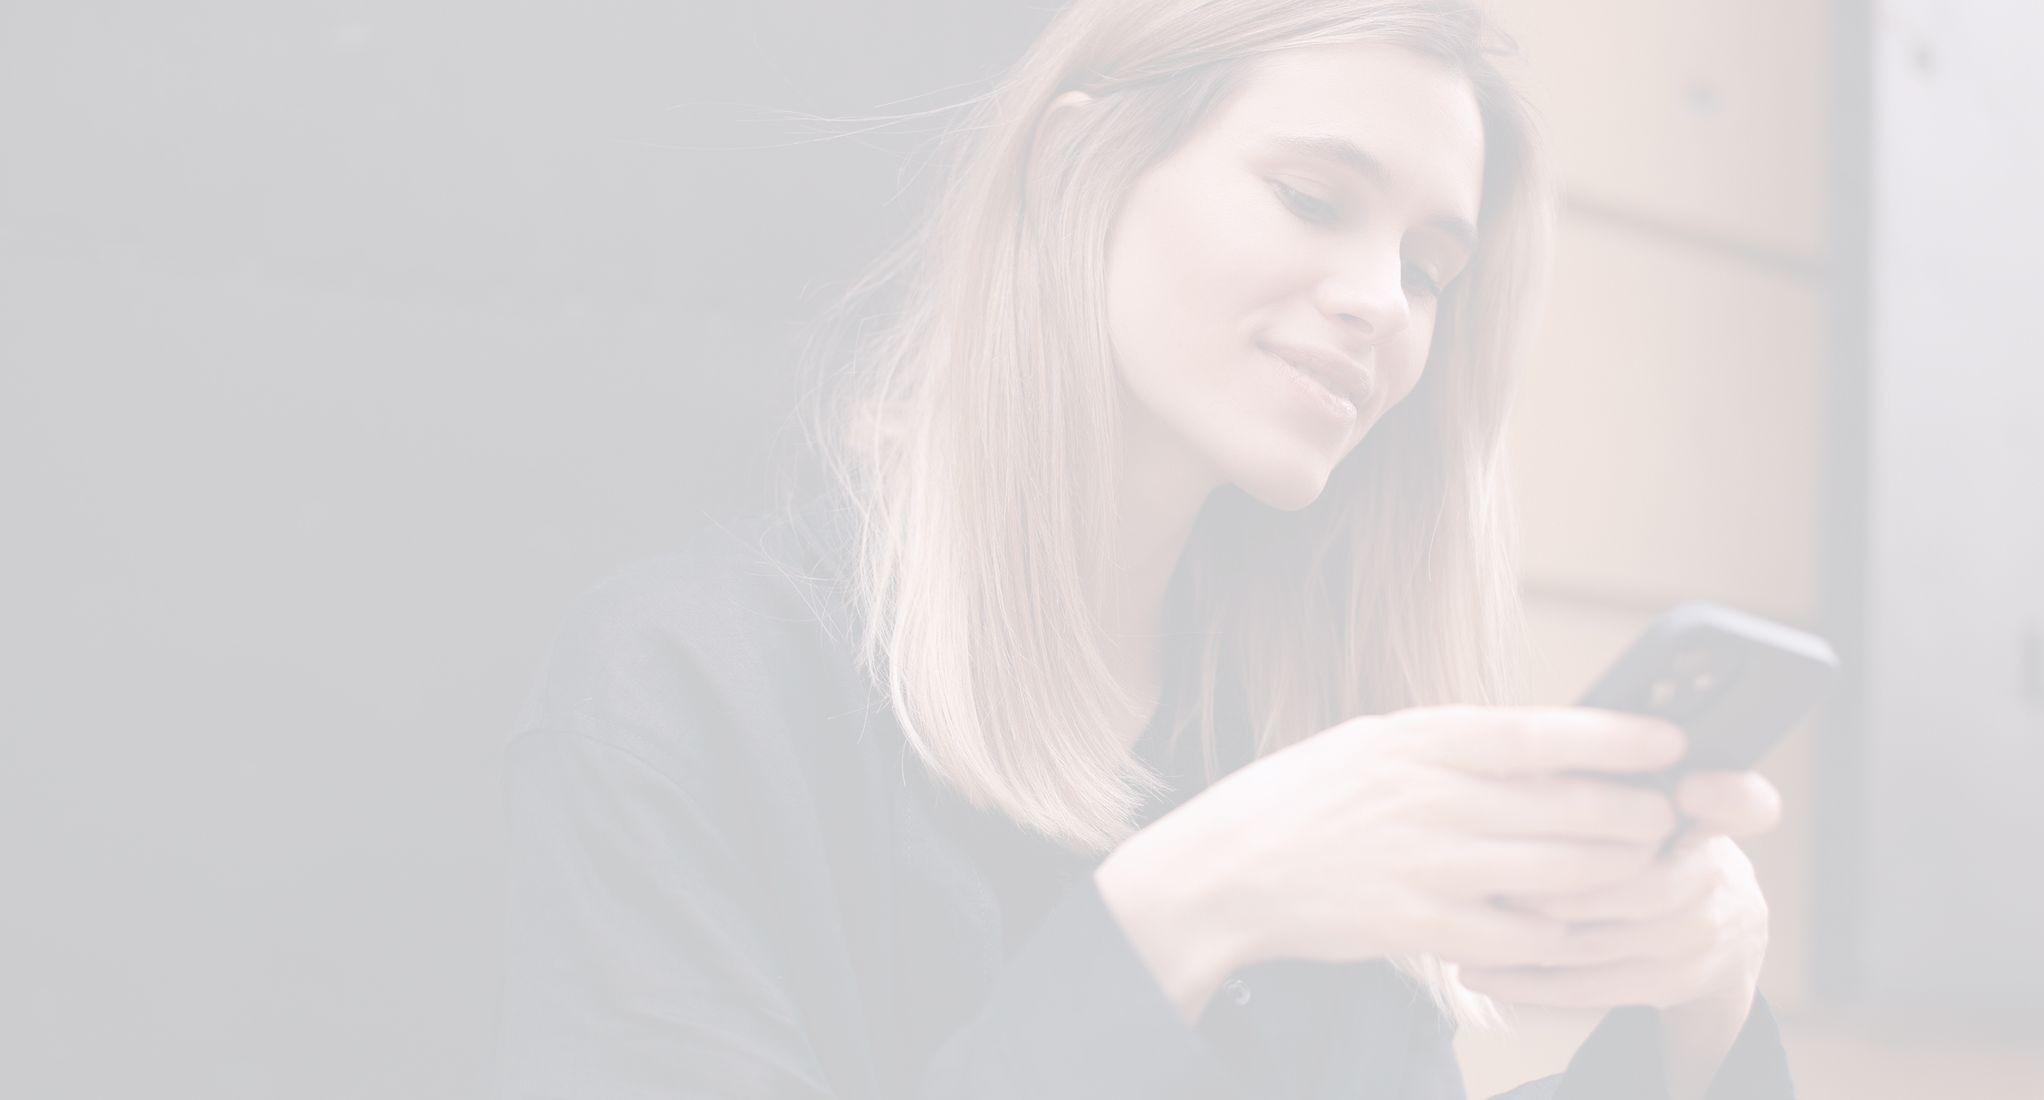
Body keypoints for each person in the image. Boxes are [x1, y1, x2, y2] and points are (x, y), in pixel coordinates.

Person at [495, 1, 1798, 1097]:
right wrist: (1185, 913)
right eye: (1311, 197)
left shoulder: (1289, 745)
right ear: (1082, 170)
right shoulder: (695, 692)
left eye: (1429, 267)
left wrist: (1703, 1009)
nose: (1379, 301)